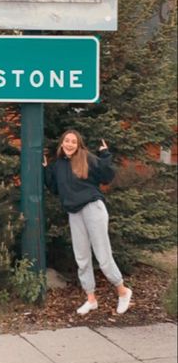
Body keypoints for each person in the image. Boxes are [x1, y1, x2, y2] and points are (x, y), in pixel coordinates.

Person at [43, 129, 132, 316]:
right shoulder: (58, 165)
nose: (69, 144)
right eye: (66, 141)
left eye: (73, 142)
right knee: (82, 257)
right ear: (61, 143)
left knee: (102, 255)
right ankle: (91, 299)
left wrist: (105, 154)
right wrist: (45, 169)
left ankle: (123, 291)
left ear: (78, 145)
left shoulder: (86, 158)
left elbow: (106, 176)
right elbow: (54, 188)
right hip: (74, 213)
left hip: (93, 208)